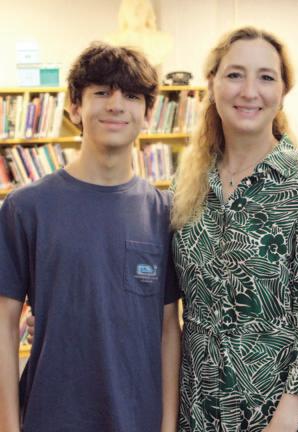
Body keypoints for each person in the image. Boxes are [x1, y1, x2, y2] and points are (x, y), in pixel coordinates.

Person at [171, 27, 298, 431]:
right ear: (212, 84)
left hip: (288, 420)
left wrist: (284, 422)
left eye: (266, 77)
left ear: (282, 92)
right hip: (202, 416)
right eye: (235, 75)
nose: (249, 91)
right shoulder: (187, 186)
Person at [0, 43, 181, 432]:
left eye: (131, 96)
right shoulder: (25, 208)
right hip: (50, 417)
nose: (116, 105)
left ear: (149, 113)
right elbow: (5, 325)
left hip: (139, 419)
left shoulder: (164, 213)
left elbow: (169, 329)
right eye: (101, 92)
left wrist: (168, 426)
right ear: (74, 107)